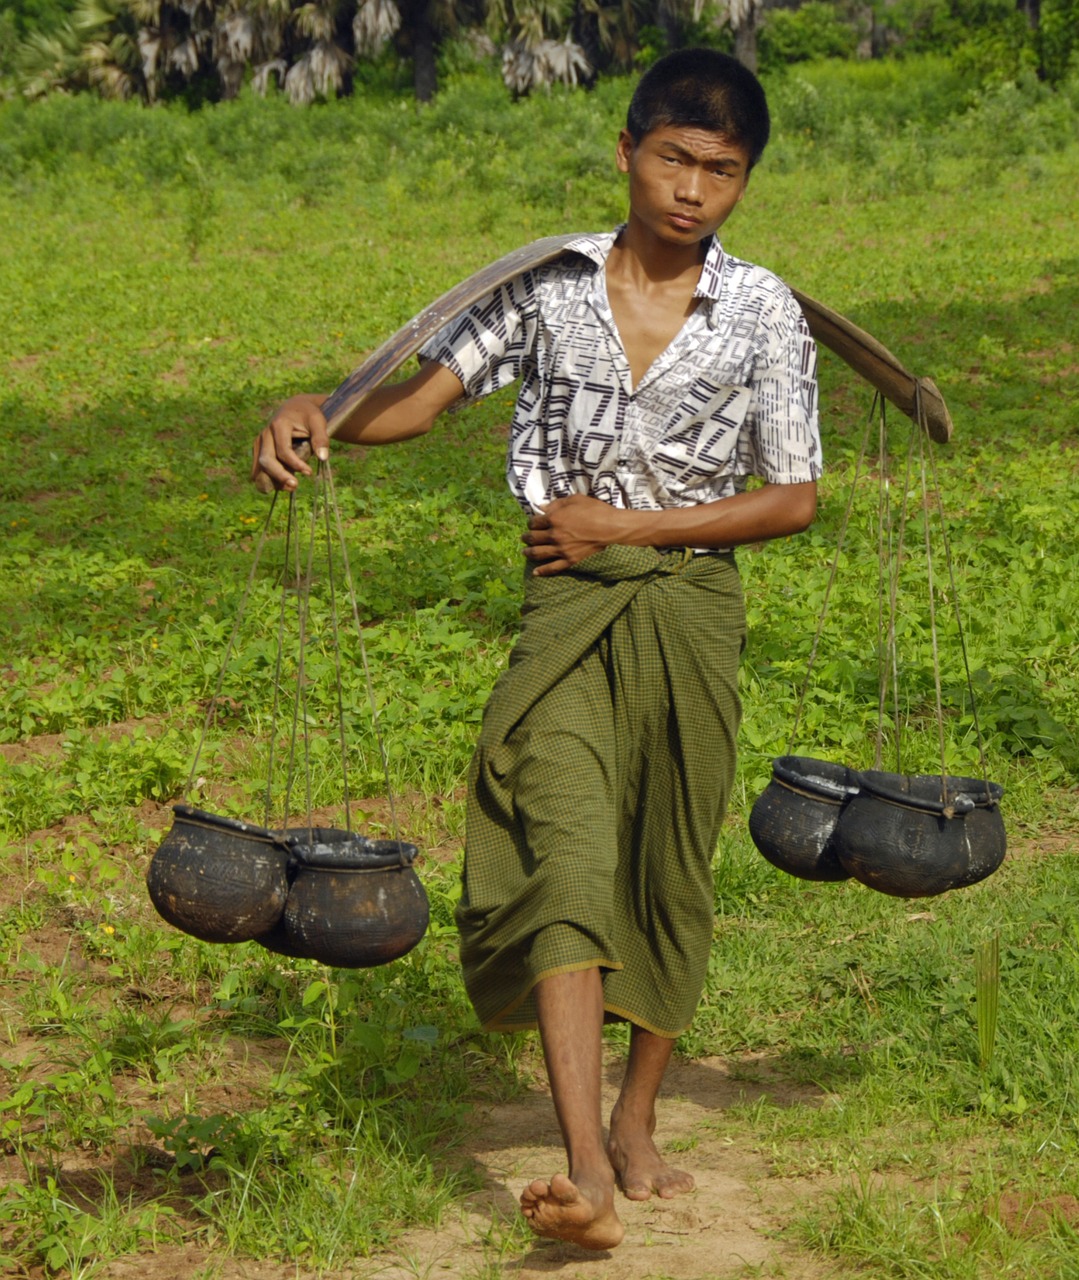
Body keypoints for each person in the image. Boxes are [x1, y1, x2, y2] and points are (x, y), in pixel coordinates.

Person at [251, 47, 821, 1252]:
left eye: (720, 171)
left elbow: (790, 498)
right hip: (564, 610)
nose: (690, 189)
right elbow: (423, 394)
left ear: (742, 183)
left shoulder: (764, 309)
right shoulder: (543, 287)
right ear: (624, 153)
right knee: (559, 847)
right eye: (671, 158)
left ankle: (635, 1117)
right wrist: (324, 414)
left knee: (668, 861)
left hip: (689, 609)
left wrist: (634, 522)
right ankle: (582, 1174)